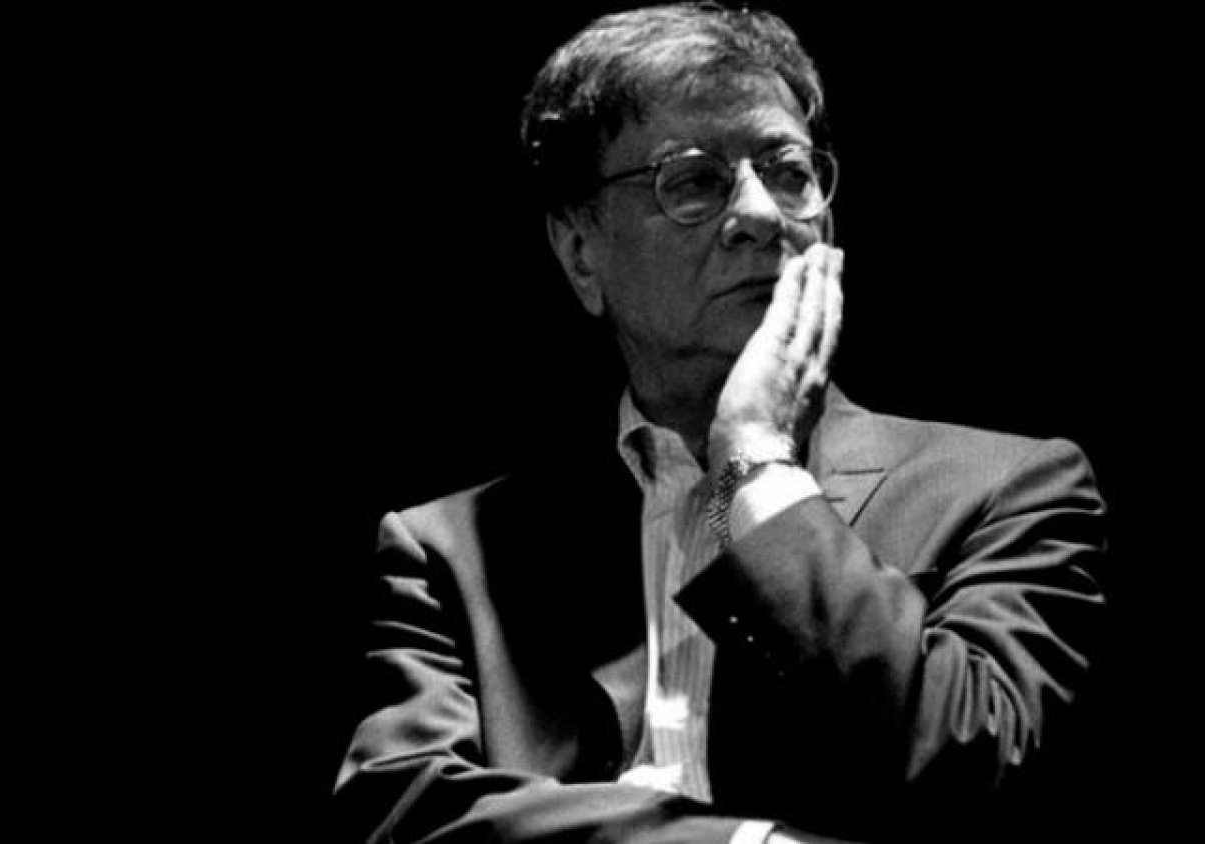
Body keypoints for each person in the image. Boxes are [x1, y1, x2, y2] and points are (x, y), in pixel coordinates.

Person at [331, 4, 1107, 843]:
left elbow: (971, 768)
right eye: (695, 182)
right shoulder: (451, 550)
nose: (763, 214)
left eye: (789, 172)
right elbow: (402, 807)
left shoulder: (1006, 488)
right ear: (581, 253)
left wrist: (757, 468)